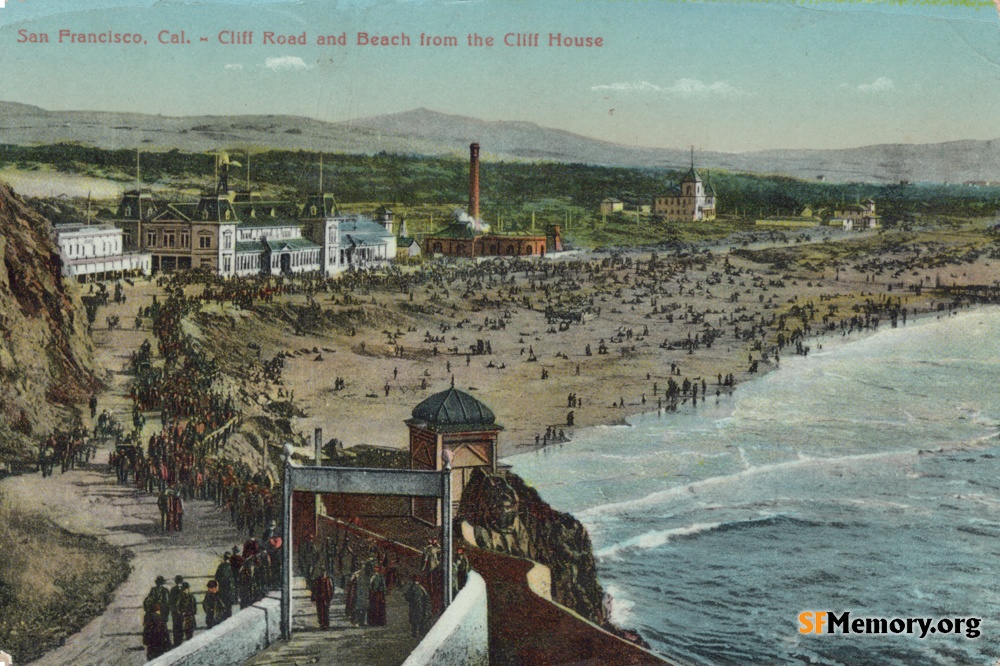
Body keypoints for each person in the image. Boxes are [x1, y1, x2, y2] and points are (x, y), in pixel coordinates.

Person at [214, 553, 237, 620]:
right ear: (230, 559)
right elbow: (233, 579)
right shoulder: (231, 567)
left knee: (223, 606)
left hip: (222, 590)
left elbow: (216, 578)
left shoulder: (220, 566)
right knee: (229, 608)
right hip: (229, 590)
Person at [168, 575, 185, 646]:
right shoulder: (183, 589)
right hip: (179, 611)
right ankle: (179, 641)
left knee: (177, 626)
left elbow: (170, 601)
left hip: (176, 612)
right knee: (179, 626)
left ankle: (177, 642)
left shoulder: (173, 589)